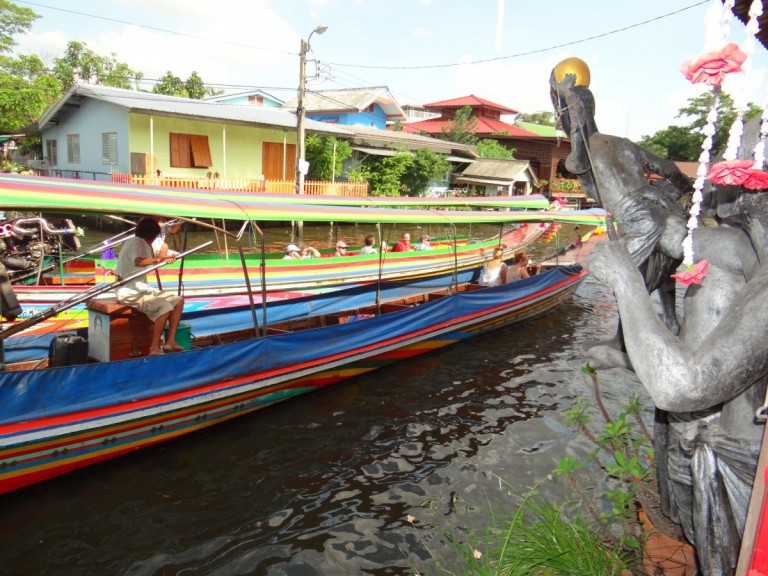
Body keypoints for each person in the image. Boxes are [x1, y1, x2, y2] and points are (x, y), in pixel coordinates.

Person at [115, 217, 185, 356]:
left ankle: (170, 341)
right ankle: (154, 348)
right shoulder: (136, 242)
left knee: (178, 301)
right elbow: (139, 261)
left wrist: (164, 257)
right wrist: (159, 259)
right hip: (130, 291)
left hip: (142, 288)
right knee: (164, 307)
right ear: (151, 235)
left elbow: (153, 258)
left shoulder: (141, 243)